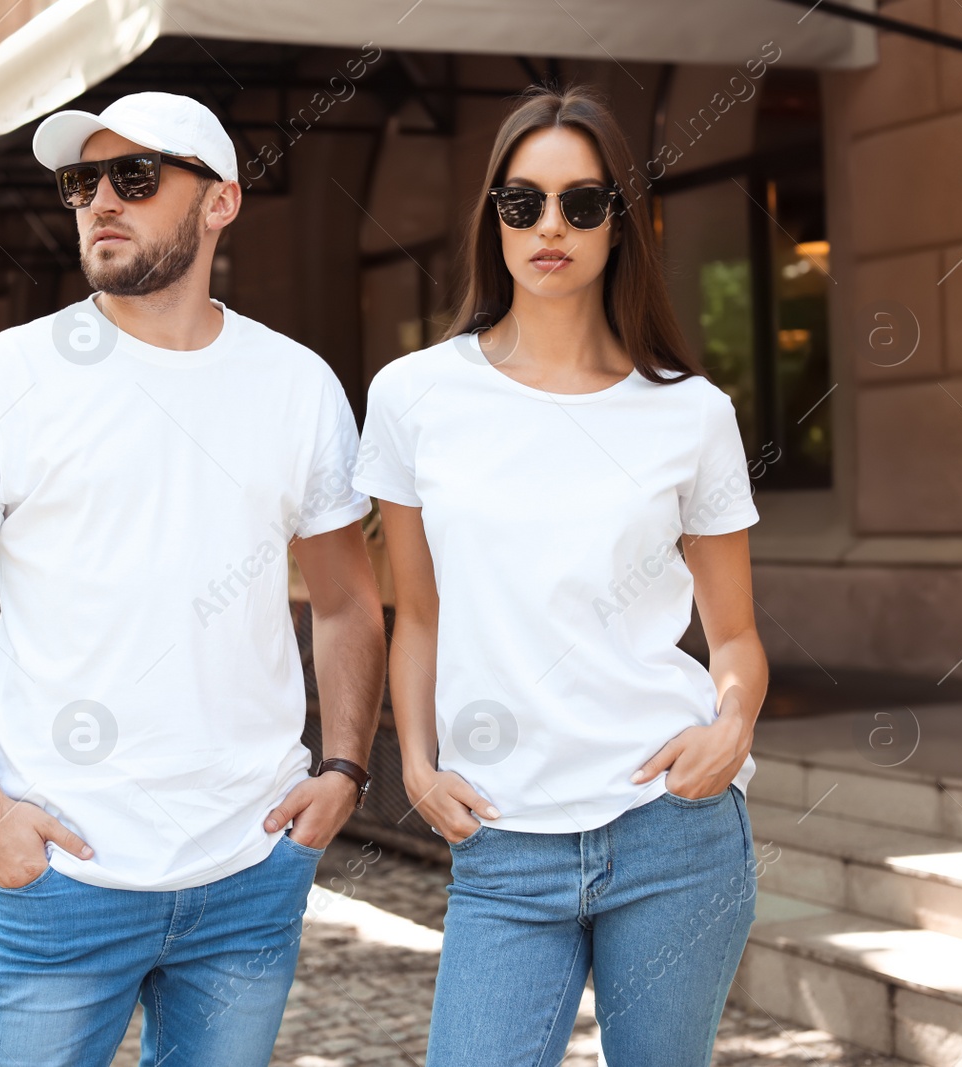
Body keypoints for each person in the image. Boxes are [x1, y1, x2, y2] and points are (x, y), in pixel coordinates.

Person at [0, 91, 386, 1067]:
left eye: (135, 177)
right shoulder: (3, 378)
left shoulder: (298, 384)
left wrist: (345, 770)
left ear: (220, 201)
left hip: (249, 872)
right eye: (80, 181)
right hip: (63, 877)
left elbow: (348, 598)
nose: (99, 200)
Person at [352, 85, 768, 1066]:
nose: (551, 226)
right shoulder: (414, 395)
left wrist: (731, 726)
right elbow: (416, 612)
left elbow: (737, 634)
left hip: (672, 830)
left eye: (583, 203)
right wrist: (413, 762)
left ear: (620, 223)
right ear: (490, 217)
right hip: (502, 837)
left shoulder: (690, 413)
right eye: (522, 201)